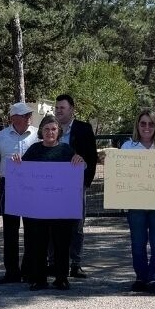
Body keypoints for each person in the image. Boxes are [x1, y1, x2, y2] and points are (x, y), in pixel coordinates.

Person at [12, 114, 87, 291]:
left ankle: (61, 278)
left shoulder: (67, 150)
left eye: (53, 129)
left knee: (62, 242)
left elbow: (80, 170)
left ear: (58, 131)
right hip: (38, 208)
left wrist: (80, 161)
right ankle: (39, 279)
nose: (50, 132)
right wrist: (17, 163)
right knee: (38, 242)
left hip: (61, 207)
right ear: (41, 132)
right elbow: (23, 174)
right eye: (46, 129)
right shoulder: (34, 150)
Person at [120, 110, 155, 293]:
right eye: (143, 123)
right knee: (138, 242)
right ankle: (141, 277)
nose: (147, 127)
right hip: (136, 203)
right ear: (137, 125)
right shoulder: (128, 147)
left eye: (151, 124)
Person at [0, 102, 39, 284]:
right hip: (9, 185)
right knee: (10, 231)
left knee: (32, 229)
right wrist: (4, 174)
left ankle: (28, 270)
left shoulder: (37, 134)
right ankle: (11, 272)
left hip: (33, 187)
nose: (28, 117)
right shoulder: (0, 136)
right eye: (24, 115)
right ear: (14, 118)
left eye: (28, 114)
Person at [54, 94, 98, 279]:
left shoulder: (84, 129)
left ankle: (75, 264)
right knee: (52, 224)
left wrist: (86, 182)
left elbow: (92, 157)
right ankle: (53, 263)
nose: (58, 111)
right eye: (56, 108)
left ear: (72, 109)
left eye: (62, 108)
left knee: (77, 225)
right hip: (52, 186)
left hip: (76, 186)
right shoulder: (50, 128)